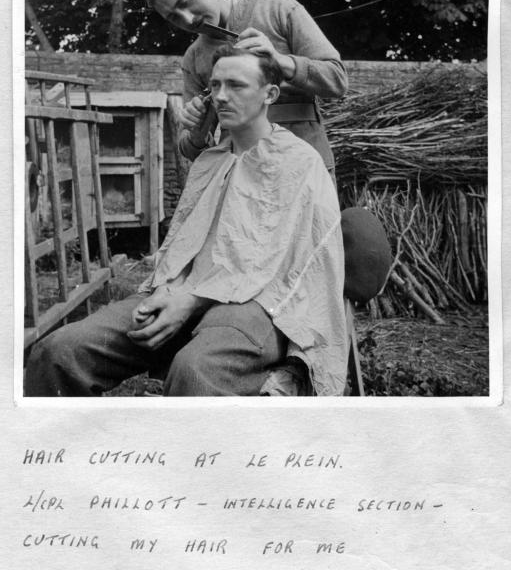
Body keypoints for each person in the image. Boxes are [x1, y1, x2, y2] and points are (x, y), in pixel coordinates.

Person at [25, 47, 348, 397]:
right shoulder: (209, 161)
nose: (221, 96)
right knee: (58, 350)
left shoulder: (299, 162)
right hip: (179, 291)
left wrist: (192, 300)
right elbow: (182, 242)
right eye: (216, 86)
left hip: (256, 307)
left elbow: (290, 266)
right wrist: (168, 289)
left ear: (269, 94)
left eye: (236, 86)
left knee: (195, 370)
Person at [143, 0, 348, 176]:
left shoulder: (278, 8)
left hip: (304, 169)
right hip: (241, 178)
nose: (188, 19)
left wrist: (280, 61)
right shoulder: (193, 57)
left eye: (185, 2)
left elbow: (337, 81)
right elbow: (191, 149)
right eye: (174, 17)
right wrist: (196, 131)